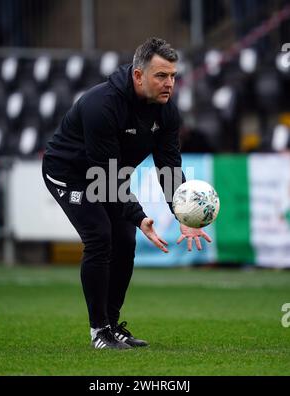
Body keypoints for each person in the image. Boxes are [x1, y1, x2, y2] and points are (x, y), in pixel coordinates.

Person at [42, 37, 212, 350]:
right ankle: (99, 331)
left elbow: (170, 169)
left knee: (125, 240)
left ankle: (112, 324)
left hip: (106, 175)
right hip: (69, 174)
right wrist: (139, 216)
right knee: (100, 236)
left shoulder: (166, 112)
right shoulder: (101, 105)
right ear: (138, 76)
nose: (169, 83)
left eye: (173, 76)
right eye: (161, 76)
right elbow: (105, 175)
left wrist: (184, 213)